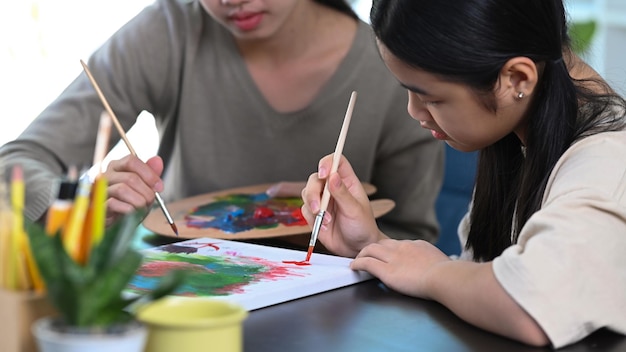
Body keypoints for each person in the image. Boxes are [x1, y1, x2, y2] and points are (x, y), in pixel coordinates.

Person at [300, 0, 626, 348]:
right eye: (407, 90)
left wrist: (431, 273)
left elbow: (530, 305)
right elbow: (481, 282)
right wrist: (373, 247)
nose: (414, 111)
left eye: (433, 99)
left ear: (516, 78)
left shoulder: (608, 162)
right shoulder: (519, 132)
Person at [0, 0, 443, 241]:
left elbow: (412, 237)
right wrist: (78, 207)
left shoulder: (393, 64)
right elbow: (15, 163)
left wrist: (355, 238)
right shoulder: (168, 31)